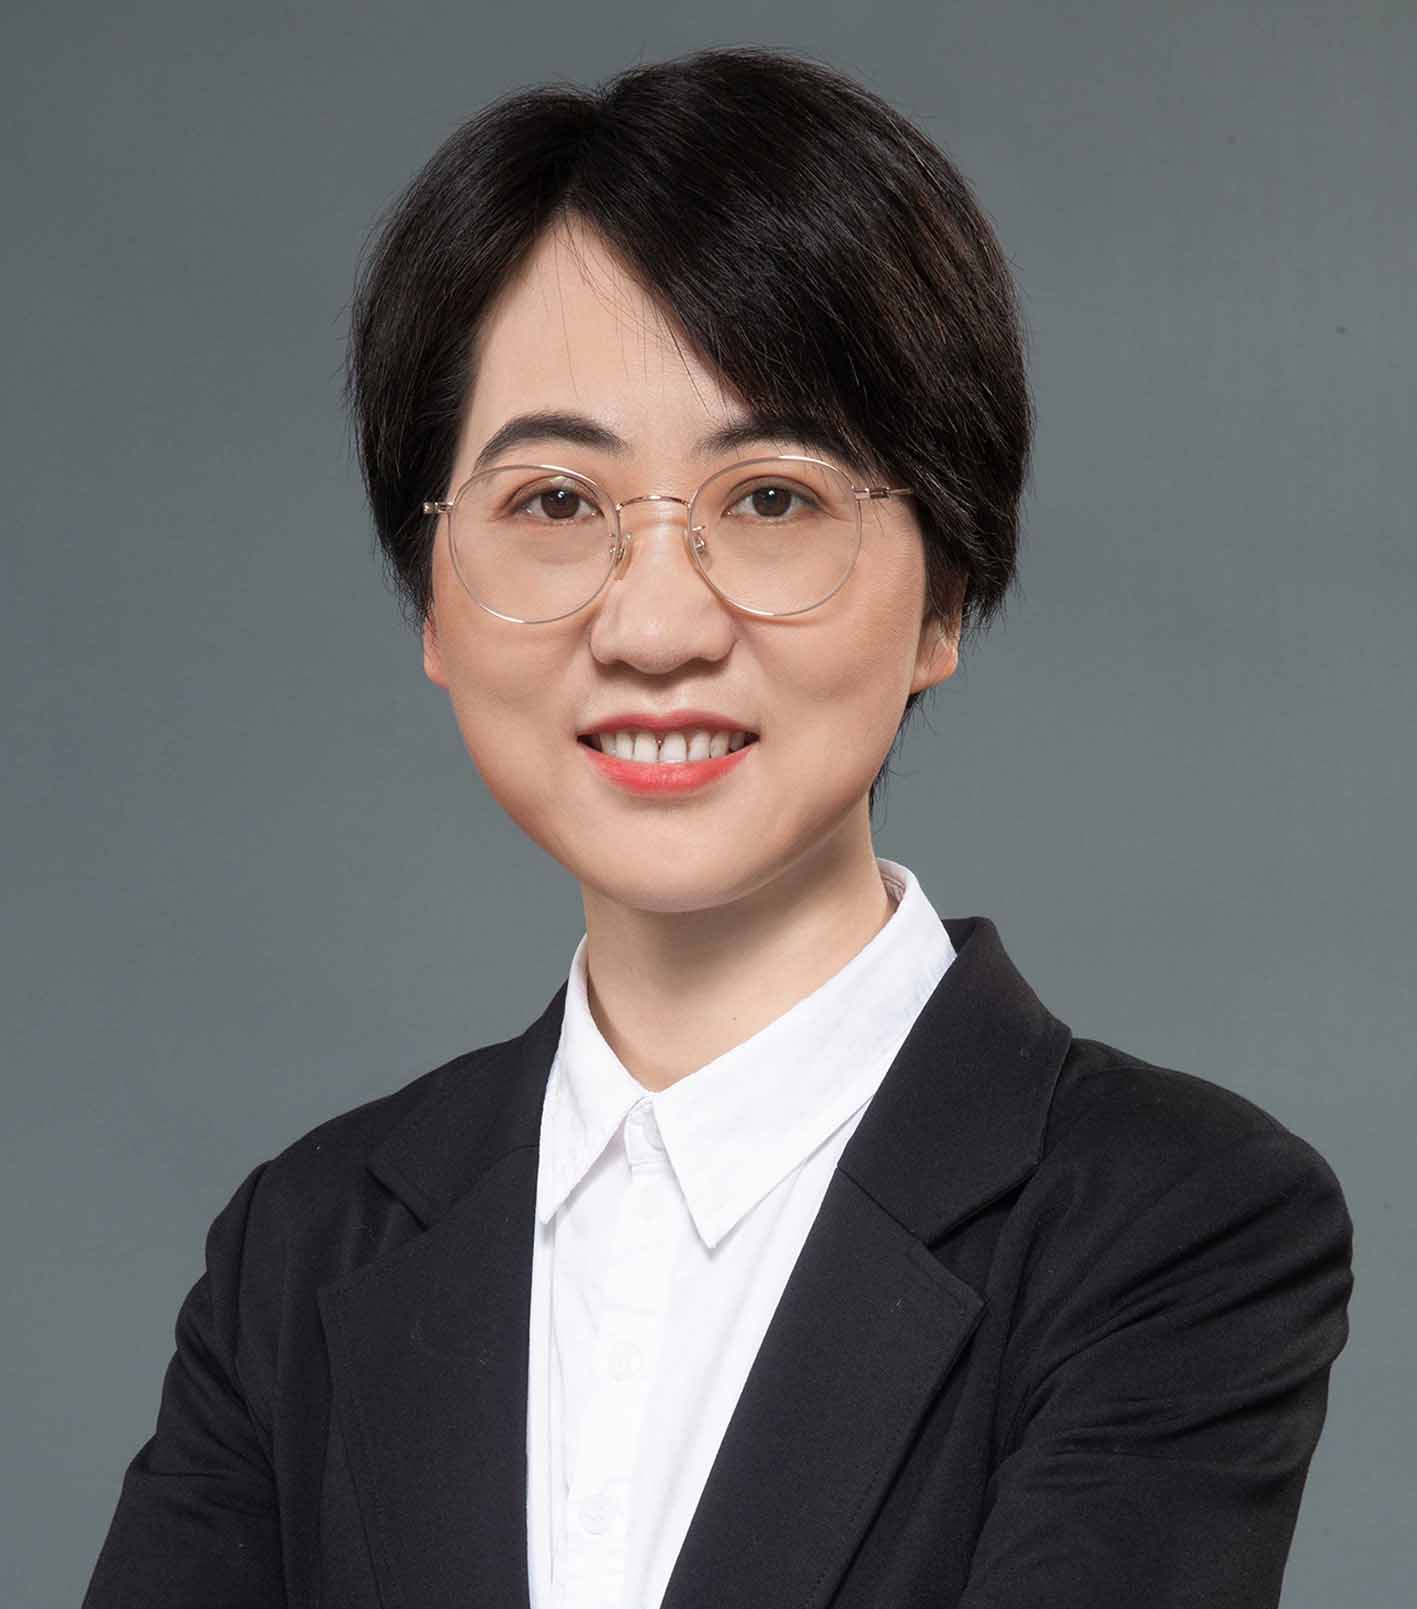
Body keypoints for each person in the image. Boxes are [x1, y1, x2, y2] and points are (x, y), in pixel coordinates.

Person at [81, 45, 1354, 1609]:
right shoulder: (301, 1247)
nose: (655, 625)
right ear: (432, 599)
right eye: (554, 503)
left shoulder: (1175, 1221)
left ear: (944, 595)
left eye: (770, 497)